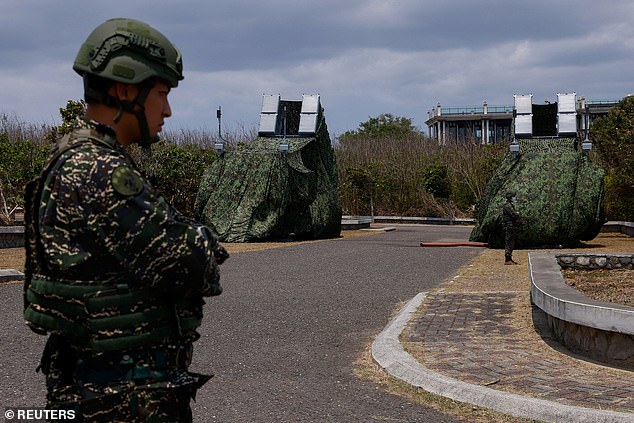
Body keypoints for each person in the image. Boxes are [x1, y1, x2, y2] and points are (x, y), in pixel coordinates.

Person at [23, 18, 228, 421]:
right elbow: (190, 263)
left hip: (94, 386)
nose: (168, 110)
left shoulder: (72, 156)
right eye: (162, 94)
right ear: (125, 89)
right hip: (121, 394)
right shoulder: (100, 171)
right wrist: (202, 238)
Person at [502, 191, 520, 265]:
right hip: (509, 226)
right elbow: (514, 215)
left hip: (511, 226)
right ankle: (507, 259)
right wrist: (517, 214)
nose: (514, 198)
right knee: (509, 242)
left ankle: (509, 258)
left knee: (511, 242)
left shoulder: (510, 205)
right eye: (513, 196)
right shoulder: (507, 206)